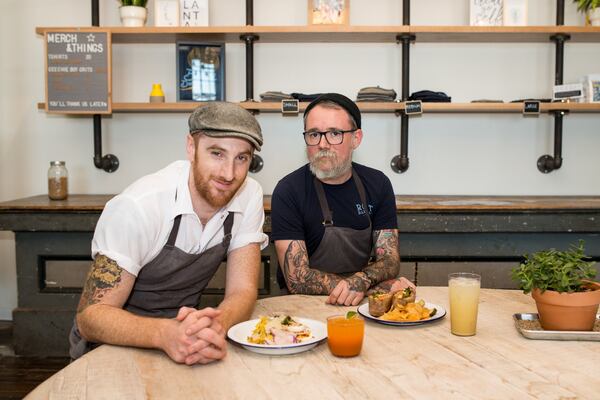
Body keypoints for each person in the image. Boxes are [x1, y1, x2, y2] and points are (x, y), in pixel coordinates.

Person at [69, 102, 268, 365]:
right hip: (112, 344)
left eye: (241, 158)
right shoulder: (138, 207)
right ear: (191, 147)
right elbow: (90, 317)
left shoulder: (249, 195)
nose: (229, 174)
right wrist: (164, 334)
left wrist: (216, 326)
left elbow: (242, 290)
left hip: (185, 337)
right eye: (217, 153)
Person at [271, 93, 415, 306]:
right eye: (314, 134)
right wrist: (367, 287)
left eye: (334, 133)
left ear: (356, 139)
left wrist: (361, 280)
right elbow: (297, 279)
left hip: (359, 304)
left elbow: (390, 260)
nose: (322, 144)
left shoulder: (377, 184)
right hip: (302, 306)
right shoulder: (288, 190)